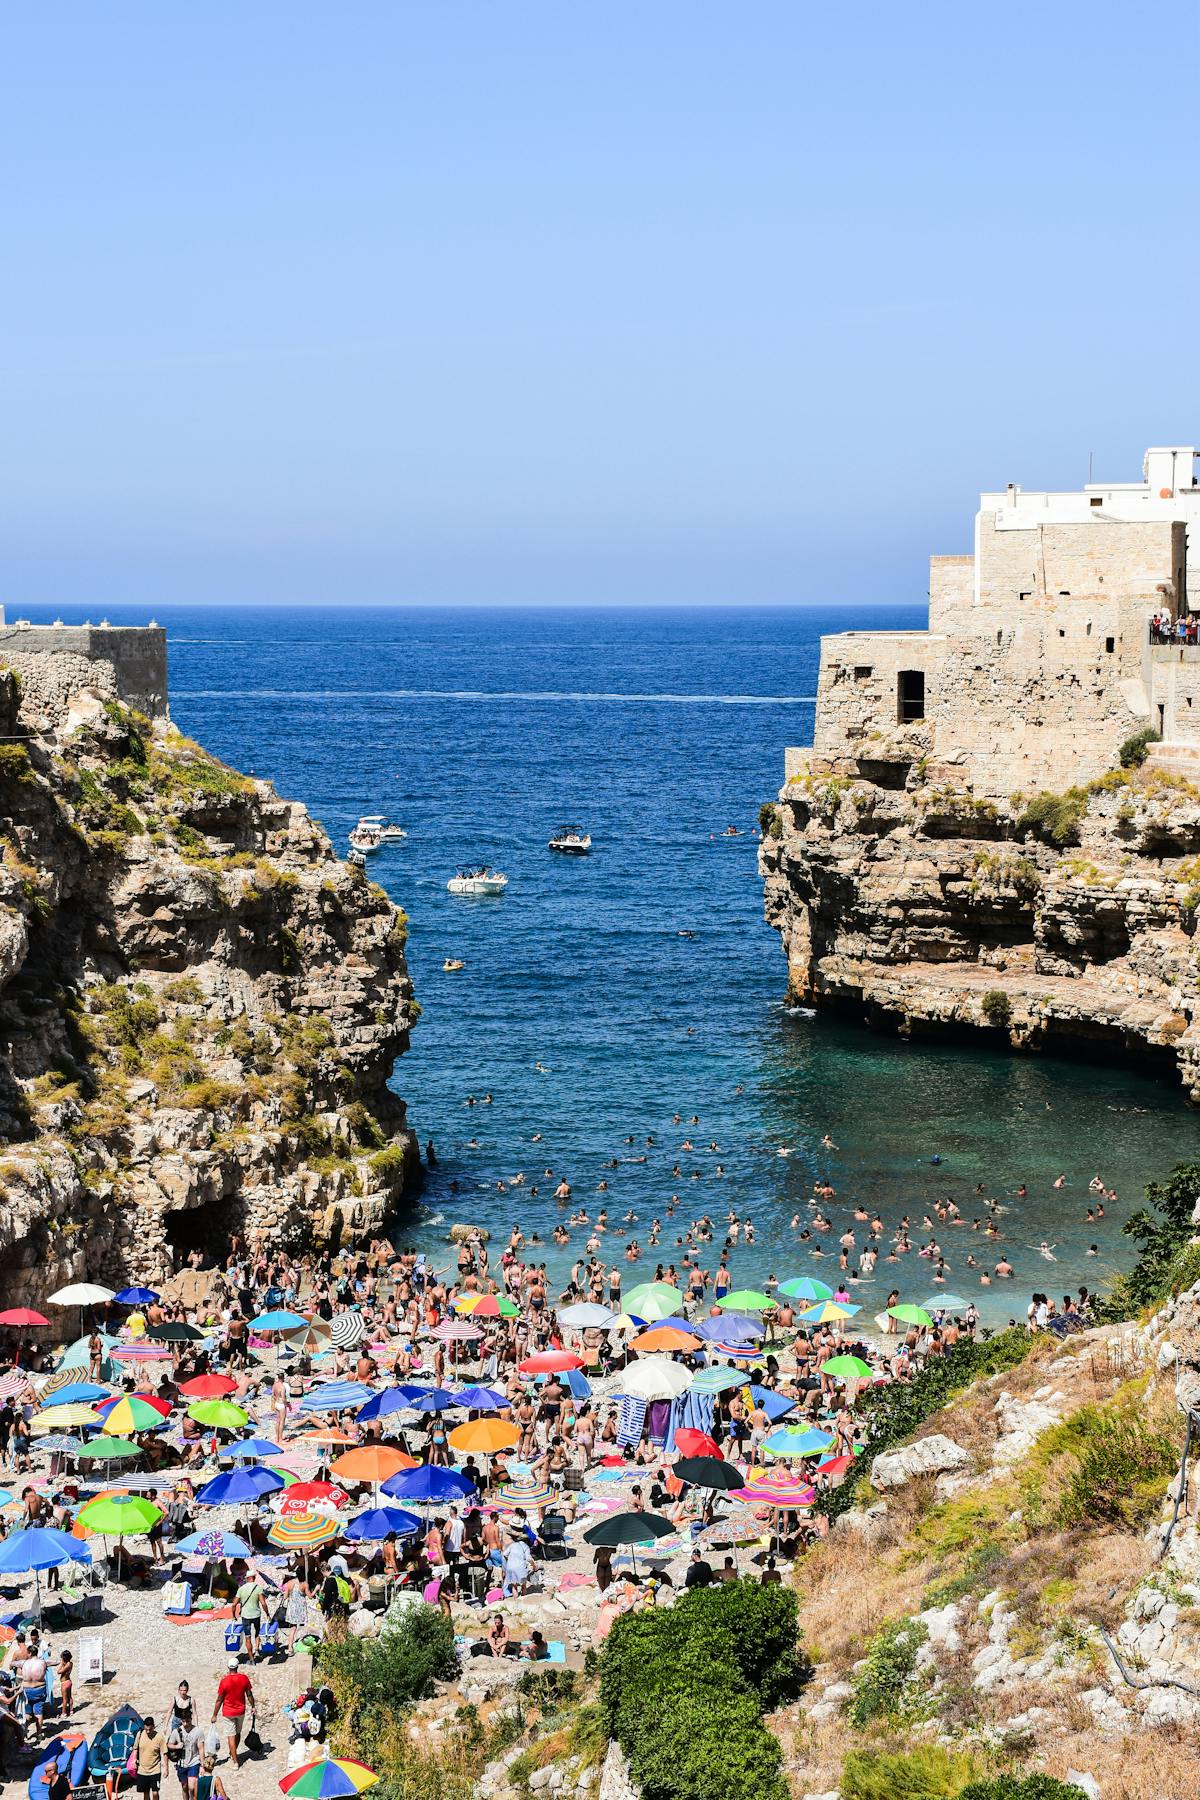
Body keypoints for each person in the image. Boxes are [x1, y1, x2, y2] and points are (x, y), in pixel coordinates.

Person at [212, 1657, 255, 1767]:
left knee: (231, 1736)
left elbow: (219, 1699)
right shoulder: (244, 1678)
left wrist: (214, 1714)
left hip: (228, 1712)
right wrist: (253, 1706)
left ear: (228, 1667)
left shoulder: (224, 1681)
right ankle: (233, 1752)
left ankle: (235, 1761)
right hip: (240, 1711)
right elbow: (249, 1694)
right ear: (237, 1666)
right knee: (238, 1733)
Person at [133, 1716, 166, 1800]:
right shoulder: (140, 1734)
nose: (148, 1732)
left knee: (155, 1792)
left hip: (155, 1770)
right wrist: (134, 1760)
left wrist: (166, 1768)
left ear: (153, 1727)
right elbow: (135, 1748)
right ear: (144, 1726)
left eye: (150, 1729)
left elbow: (165, 1753)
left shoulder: (159, 1737)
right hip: (142, 1770)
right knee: (145, 1792)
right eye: (146, 1729)